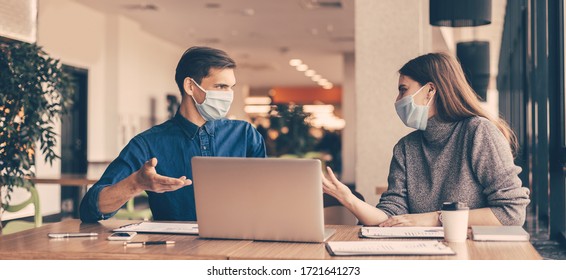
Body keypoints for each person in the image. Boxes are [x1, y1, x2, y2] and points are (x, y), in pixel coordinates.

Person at [323, 53, 530, 227]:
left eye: (403, 90)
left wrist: (435, 218)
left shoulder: (478, 132)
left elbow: (511, 212)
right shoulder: (406, 148)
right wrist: (348, 199)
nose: (397, 100)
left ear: (430, 90)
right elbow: (391, 218)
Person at [79, 46, 266, 222]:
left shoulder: (246, 135)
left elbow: (267, 196)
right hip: (174, 251)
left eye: (231, 87)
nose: (229, 95)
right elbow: (89, 209)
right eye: (220, 87)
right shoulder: (148, 144)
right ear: (190, 86)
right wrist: (135, 183)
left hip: (237, 247)